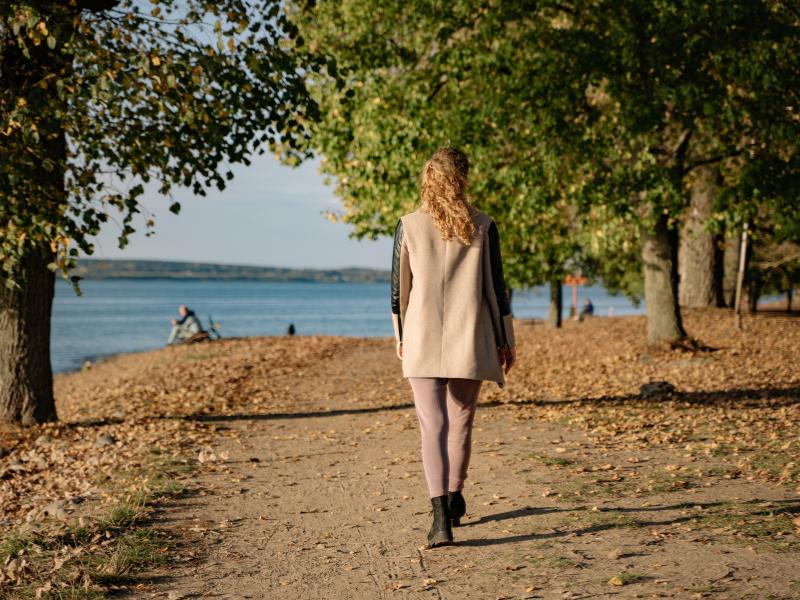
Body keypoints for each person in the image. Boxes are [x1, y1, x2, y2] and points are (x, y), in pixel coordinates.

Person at [390, 147, 517, 548]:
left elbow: (399, 294)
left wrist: (400, 336)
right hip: (471, 334)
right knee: (461, 419)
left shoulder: (408, 225)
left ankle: (439, 517)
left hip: (421, 335)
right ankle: (455, 496)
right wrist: (504, 339)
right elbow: (496, 290)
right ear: (463, 178)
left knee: (433, 425)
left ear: (428, 180)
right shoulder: (483, 225)